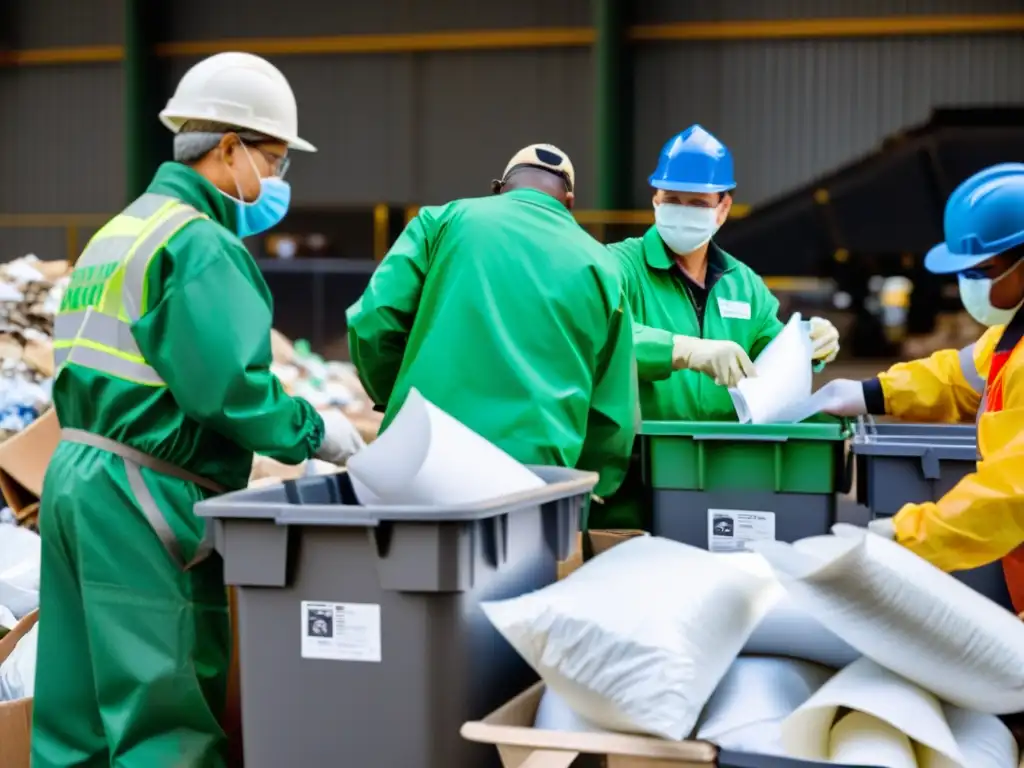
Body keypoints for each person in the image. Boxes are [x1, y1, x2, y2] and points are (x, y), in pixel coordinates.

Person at [33, 52, 365, 767]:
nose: (276, 180)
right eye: (273, 160)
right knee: (165, 708)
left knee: (78, 712)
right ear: (227, 149)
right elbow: (228, 391)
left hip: (74, 480)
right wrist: (316, 432)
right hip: (144, 491)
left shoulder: (119, 233)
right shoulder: (200, 243)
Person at [346, 144, 639, 498]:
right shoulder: (603, 265)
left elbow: (374, 321)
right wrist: (591, 483)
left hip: (423, 454)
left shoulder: (444, 220)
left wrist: (400, 401)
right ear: (570, 202)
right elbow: (612, 403)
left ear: (500, 188)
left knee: (411, 552)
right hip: (536, 475)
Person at [590, 125, 840, 528]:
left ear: (723, 208)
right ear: (655, 199)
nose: (683, 210)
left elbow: (774, 354)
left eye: (698, 202)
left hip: (725, 472)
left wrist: (809, 341)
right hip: (636, 475)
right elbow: (599, 337)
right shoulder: (617, 265)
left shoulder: (744, 284)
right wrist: (686, 350)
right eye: (672, 199)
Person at [816, 162, 1024, 615]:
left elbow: (1015, 489)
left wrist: (908, 537)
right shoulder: (1012, 336)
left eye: (983, 270)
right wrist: (872, 393)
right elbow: (955, 376)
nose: (971, 284)